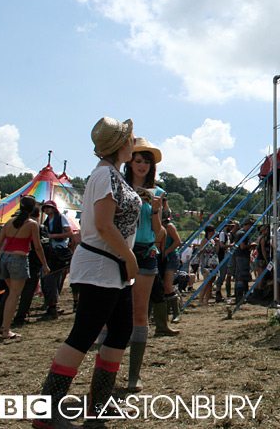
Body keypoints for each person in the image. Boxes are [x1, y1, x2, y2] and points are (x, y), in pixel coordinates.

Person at [33, 117, 141, 429]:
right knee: (83, 334)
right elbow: (104, 225)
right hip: (101, 265)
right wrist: (129, 257)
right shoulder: (105, 175)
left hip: (113, 267)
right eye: (131, 137)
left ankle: (99, 407)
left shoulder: (112, 175)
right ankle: (47, 413)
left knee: (120, 333)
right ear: (121, 144)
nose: (135, 141)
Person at [124, 137, 176, 394]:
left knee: (140, 314)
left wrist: (155, 211)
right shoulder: (119, 187)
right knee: (113, 313)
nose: (142, 165)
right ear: (129, 162)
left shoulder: (158, 193)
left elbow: (159, 233)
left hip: (145, 252)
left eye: (147, 161)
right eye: (138, 160)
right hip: (119, 251)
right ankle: (106, 371)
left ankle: (134, 374)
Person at [0, 195, 49, 341]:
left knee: (11, 293)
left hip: (4, 258)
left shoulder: (9, 222)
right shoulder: (32, 224)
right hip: (18, 259)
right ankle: (6, 329)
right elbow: (37, 247)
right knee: (14, 295)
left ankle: (3, 325)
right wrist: (44, 264)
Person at [40, 200, 74, 318]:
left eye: (49, 207)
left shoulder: (61, 218)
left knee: (54, 279)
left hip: (59, 251)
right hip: (49, 251)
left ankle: (53, 305)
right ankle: (50, 302)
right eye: (45, 207)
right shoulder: (46, 221)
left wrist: (53, 236)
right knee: (46, 279)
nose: (47, 209)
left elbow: (69, 233)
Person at [158, 211, 182, 322]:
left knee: (168, 285)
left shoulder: (169, 226)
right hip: (161, 257)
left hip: (171, 257)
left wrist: (166, 252)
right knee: (161, 286)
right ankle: (165, 313)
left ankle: (176, 313)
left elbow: (177, 241)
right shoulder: (157, 226)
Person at [231, 219, 255, 303]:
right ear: (248, 225)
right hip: (243, 257)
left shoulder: (238, 233)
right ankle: (240, 296)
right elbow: (242, 246)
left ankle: (239, 295)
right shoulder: (242, 234)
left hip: (239, 256)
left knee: (238, 276)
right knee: (242, 276)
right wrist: (250, 246)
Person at [196, 225, 218, 305]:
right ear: (209, 232)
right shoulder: (204, 240)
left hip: (213, 261)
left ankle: (206, 300)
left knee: (210, 282)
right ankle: (200, 300)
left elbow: (216, 251)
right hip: (206, 262)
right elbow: (201, 252)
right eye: (213, 231)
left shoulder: (213, 240)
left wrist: (218, 243)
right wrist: (203, 264)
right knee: (206, 281)